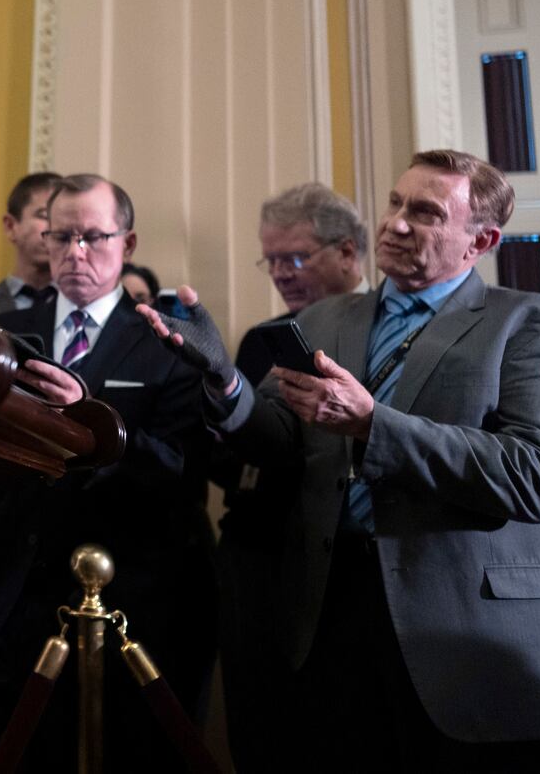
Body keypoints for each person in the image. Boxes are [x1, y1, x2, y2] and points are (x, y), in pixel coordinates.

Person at [141, 149, 540, 771]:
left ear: (482, 239)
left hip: (471, 630)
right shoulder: (325, 318)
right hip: (331, 619)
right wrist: (225, 383)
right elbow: (279, 440)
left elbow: (537, 477)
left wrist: (373, 424)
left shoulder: (537, 325)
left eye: (425, 212)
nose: (395, 224)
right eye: (395, 203)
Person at [0, 174, 213, 773]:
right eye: (63, 237)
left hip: (119, 618)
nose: (77, 253)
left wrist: (87, 420)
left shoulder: (168, 339)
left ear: (127, 243)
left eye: (94, 238)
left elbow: (184, 475)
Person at [217, 182, 367, 771]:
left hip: (346, 564)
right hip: (260, 556)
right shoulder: (263, 342)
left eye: (295, 257)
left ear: (348, 254)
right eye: (272, 259)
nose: (281, 272)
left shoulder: (388, 333)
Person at [0, 172, 60, 317]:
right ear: (11, 226)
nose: (56, 228)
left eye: (63, 218)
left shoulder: (82, 310)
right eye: (44, 216)